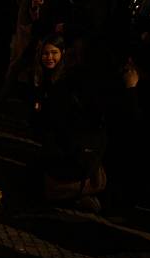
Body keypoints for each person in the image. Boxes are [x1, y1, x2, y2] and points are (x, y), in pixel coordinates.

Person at [32, 33, 106, 212]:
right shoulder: (46, 79)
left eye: (54, 53)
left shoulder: (65, 84)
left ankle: (77, 194)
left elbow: (59, 123)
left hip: (71, 150)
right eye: (46, 53)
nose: (49, 57)